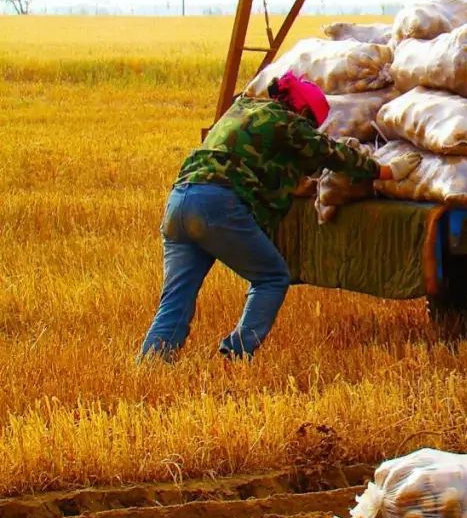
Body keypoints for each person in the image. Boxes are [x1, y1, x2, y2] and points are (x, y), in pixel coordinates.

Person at [138, 71, 420, 361]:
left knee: (176, 297)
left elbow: (260, 159)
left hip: (179, 202)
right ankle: (235, 353)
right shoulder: (289, 123)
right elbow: (332, 153)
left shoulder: (243, 108)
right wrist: (385, 171)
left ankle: (152, 363)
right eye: (311, 122)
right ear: (302, 111)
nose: (311, 128)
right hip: (218, 204)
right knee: (272, 277)